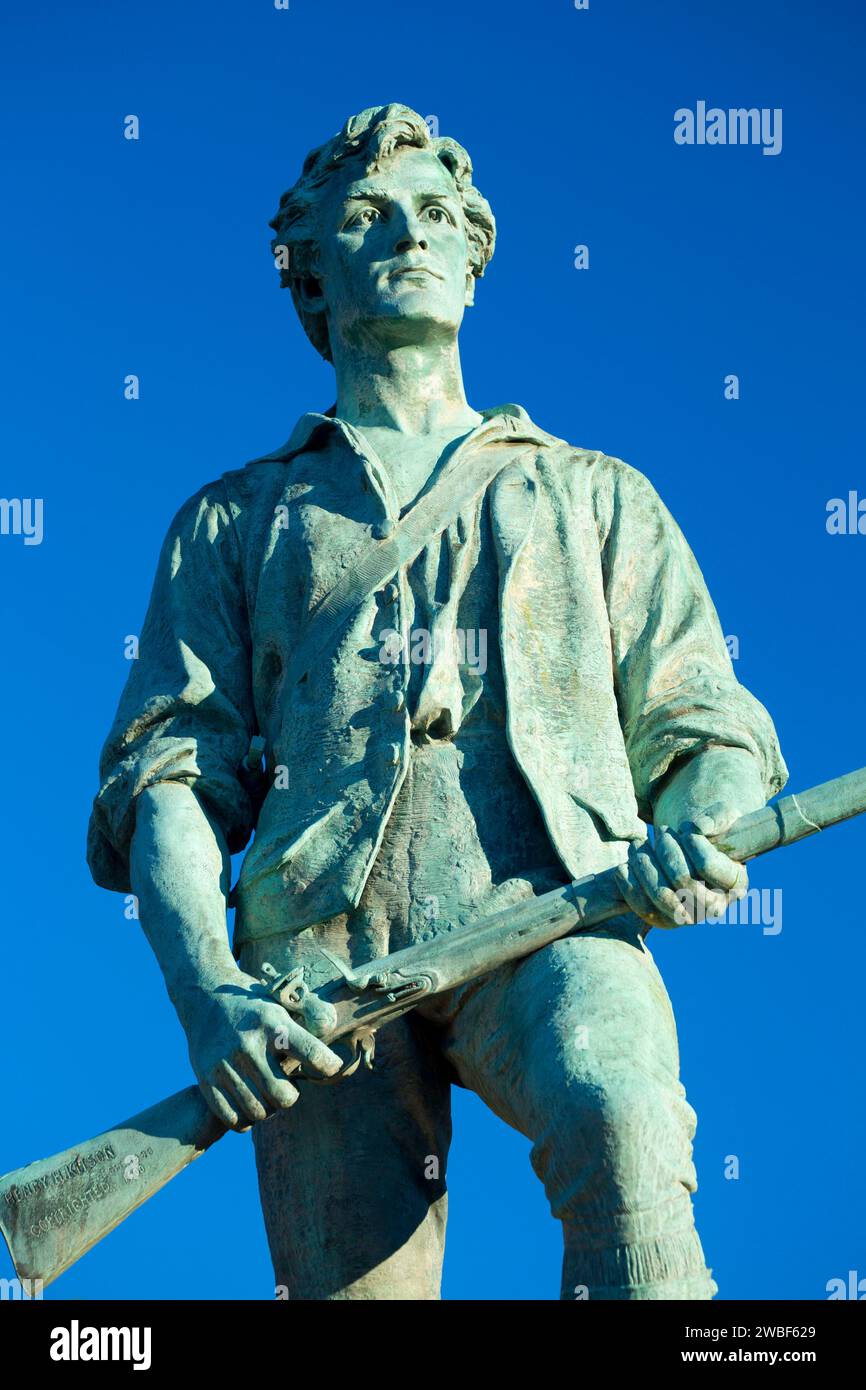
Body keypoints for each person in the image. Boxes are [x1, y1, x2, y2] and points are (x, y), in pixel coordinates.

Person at [87, 104, 787, 1300]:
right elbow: (169, 781)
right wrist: (210, 1000)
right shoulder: (233, 521)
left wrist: (700, 824)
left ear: (474, 253)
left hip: (558, 909)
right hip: (313, 973)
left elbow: (705, 722)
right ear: (309, 277)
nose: (408, 235)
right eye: (365, 217)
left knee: (621, 1122)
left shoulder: (596, 495)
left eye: (437, 215)